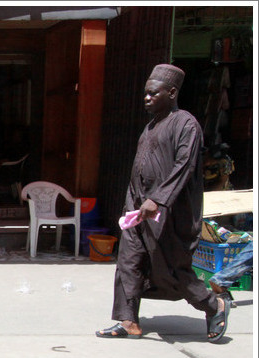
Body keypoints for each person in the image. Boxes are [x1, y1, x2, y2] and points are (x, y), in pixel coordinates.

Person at [96, 64, 230, 343]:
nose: (146, 99)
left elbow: (185, 166)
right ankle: (128, 320)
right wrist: (133, 204)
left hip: (169, 212)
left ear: (171, 92)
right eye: (145, 94)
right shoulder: (150, 128)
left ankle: (212, 304)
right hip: (137, 208)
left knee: (168, 267)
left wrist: (157, 199)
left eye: (152, 94)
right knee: (128, 261)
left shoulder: (186, 124)